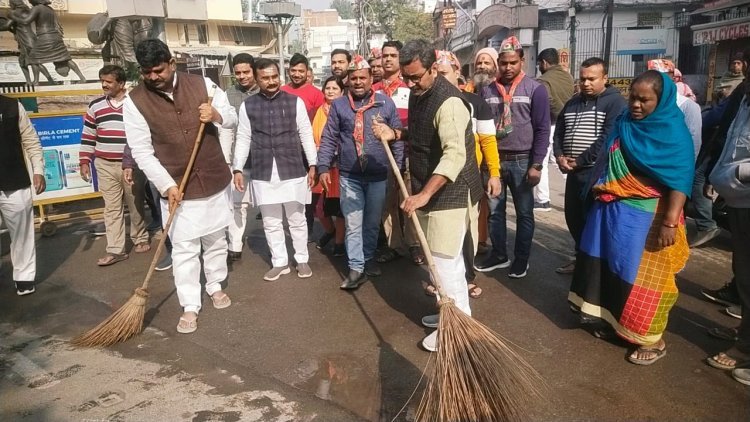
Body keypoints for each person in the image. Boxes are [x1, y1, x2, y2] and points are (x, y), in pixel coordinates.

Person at [568, 70, 694, 365]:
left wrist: (669, 222)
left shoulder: (672, 132)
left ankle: (654, 340)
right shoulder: (625, 123)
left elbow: (680, 178)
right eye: (633, 98)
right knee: (612, 272)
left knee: (645, 281)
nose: (636, 105)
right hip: (612, 212)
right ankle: (618, 326)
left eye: (644, 100)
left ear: (660, 101)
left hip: (647, 218)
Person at [373, 39, 482, 352]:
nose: (410, 83)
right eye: (406, 77)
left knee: (447, 266)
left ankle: (459, 328)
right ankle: (450, 315)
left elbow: (453, 156)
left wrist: (423, 196)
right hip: (430, 189)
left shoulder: (450, 103)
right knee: (437, 262)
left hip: (451, 192)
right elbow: (422, 134)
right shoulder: (420, 92)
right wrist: (395, 133)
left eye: (416, 77)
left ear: (434, 68)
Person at [124, 39, 237, 334]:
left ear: (172, 63)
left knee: (215, 239)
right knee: (184, 247)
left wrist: (216, 116)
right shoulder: (134, 102)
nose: (153, 77)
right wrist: (165, 185)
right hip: (177, 186)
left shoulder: (205, 86)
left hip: (213, 177)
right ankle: (190, 304)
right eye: (146, 72)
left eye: (158, 70)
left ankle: (214, 285)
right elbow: (141, 151)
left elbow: (233, 118)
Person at [318, 56, 404, 288]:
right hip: (350, 176)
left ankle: (367, 258)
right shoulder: (339, 106)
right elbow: (328, 138)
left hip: (378, 175)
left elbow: (396, 136)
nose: (358, 82)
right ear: (347, 80)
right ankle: (356, 267)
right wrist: (323, 167)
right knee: (353, 223)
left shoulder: (385, 103)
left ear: (370, 79)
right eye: (353, 78)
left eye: (362, 78)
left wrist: (398, 168)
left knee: (372, 222)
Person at [232, 58, 317, 281]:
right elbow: (243, 137)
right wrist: (237, 168)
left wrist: (313, 165)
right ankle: (279, 262)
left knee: (297, 219)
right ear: (257, 79)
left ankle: (302, 259)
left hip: (292, 168)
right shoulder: (248, 106)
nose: (271, 82)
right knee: (270, 221)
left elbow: (305, 134)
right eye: (265, 78)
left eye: (274, 77)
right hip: (262, 170)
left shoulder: (294, 102)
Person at [474, 36, 551, 278]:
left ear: (522, 61)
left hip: (522, 160)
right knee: (495, 212)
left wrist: (537, 164)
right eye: (504, 63)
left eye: (513, 63)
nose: (508, 68)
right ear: (498, 63)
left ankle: (521, 259)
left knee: (524, 213)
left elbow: (542, 129)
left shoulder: (535, 89)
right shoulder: (485, 90)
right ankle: (499, 255)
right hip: (494, 162)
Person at [434, 50, 501, 299]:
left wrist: (494, 174)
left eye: (444, 73)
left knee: (466, 233)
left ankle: (467, 278)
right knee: (440, 237)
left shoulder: (475, 103)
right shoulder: (427, 102)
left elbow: (488, 141)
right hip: (437, 178)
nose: (440, 79)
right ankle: (442, 283)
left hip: (467, 179)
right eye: (436, 74)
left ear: (456, 73)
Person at [552, 57, 627, 274]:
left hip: (597, 173)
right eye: (582, 78)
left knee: (592, 222)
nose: (586, 83)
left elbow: (608, 137)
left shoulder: (615, 103)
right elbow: (559, 132)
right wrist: (559, 155)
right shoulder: (573, 102)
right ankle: (580, 260)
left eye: (592, 79)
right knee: (573, 218)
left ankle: (593, 268)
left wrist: (581, 159)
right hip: (573, 172)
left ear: (605, 78)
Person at [80, 65, 150, 267]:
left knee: (135, 202)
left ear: (121, 83)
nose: (104, 85)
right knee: (111, 207)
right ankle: (116, 249)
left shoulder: (135, 104)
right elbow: (88, 135)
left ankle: (140, 237)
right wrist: (85, 160)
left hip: (132, 163)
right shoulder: (95, 106)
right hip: (104, 164)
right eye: (102, 80)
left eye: (109, 81)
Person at [705, 75, 750, 385]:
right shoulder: (744, 98)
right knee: (744, 273)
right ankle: (745, 332)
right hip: (739, 198)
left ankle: (746, 348)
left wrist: (737, 174)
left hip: (743, 190)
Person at [372, 40, 422, 265]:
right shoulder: (373, 91)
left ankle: (414, 244)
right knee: (387, 202)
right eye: (385, 55)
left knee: (408, 199)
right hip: (380, 155)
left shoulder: (411, 87)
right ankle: (395, 245)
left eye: (393, 55)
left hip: (407, 153)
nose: (389, 59)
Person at [0, 95, 45, 296]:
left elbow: (31, 141)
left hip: (14, 181)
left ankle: (24, 278)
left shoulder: (12, 106)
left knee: (22, 233)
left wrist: (38, 170)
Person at [221, 53, 259, 262]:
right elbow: (225, 129)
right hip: (239, 161)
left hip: (265, 158)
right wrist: (228, 160)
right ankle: (234, 244)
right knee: (238, 204)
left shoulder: (266, 91)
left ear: (254, 70)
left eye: (246, 72)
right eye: (238, 73)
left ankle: (277, 247)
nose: (242, 76)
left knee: (272, 205)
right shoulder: (228, 95)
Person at [534, 48, 574, 212]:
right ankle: (577, 188)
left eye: (539, 64)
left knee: (541, 161)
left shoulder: (542, 81)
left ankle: (542, 200)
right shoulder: (568, 77)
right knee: (559, 159)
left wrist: (556, 112)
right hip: (566, 124)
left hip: (549, 124)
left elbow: (547, 101)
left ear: (544, 62)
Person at [10, 0, 86, 84]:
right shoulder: (49, 9)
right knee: (66, 58)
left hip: (45, 37)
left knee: (33, 59)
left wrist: (13, 16)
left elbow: (26, 21)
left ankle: (36, 81)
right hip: (56, 36)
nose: (30, 2)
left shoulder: (37, 8)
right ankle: (82, 78)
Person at [312, 76, 347, 257]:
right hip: (321, 163)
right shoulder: (318, 111)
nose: (331, 91)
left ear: (342, 91)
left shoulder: (347, 110)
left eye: (335, 88)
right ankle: (330, 231)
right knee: (319, 207)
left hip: (340, 165)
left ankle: (340, 242)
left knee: (339, 207)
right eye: (328, 88)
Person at [647, 59, 702, 158]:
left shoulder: (688, 107)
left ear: (672, 78)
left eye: (662, 77)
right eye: (652, 78)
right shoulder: (645, 105)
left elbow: (694, 142)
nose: (657, 83)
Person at [281, 53, 325, 122]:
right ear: (288, 71)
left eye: (301, 71)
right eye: (293, 70)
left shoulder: (317, 94)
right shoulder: (281, 91)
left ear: (307, 72)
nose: (297, 75)